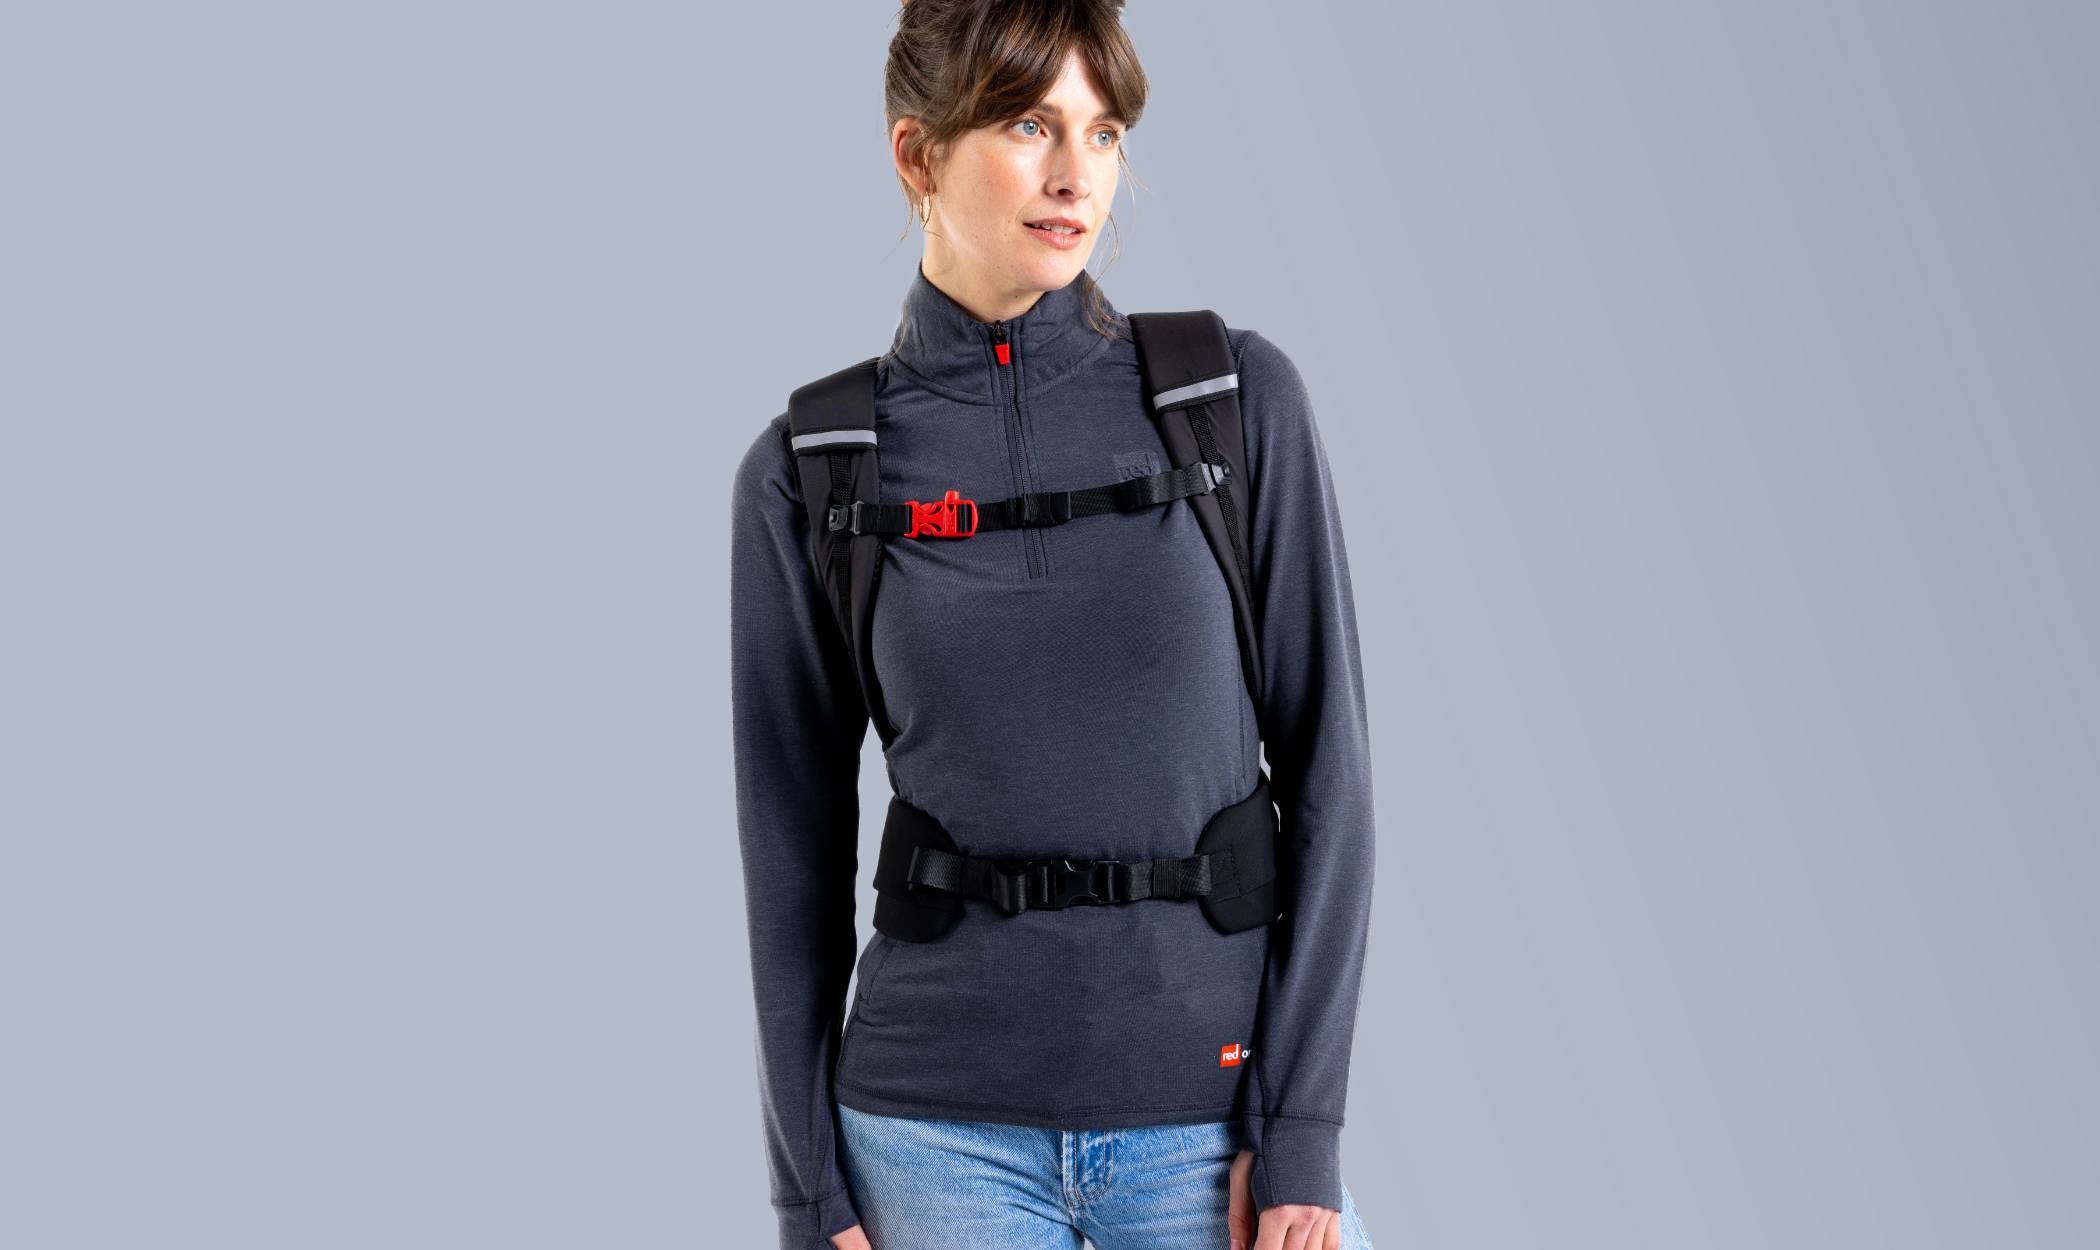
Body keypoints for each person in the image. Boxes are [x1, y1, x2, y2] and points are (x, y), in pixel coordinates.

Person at [729, 2, 1378, 1247]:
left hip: (1213, 1130)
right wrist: (809, 1194)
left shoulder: (1232, 401)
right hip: (931, 1140)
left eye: (1104, 130)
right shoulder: (811, 469)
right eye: (1031, 125)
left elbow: (1333, 782)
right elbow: (787, 856)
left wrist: (1303, 1129)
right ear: (917, 153)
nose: (1078, 174)